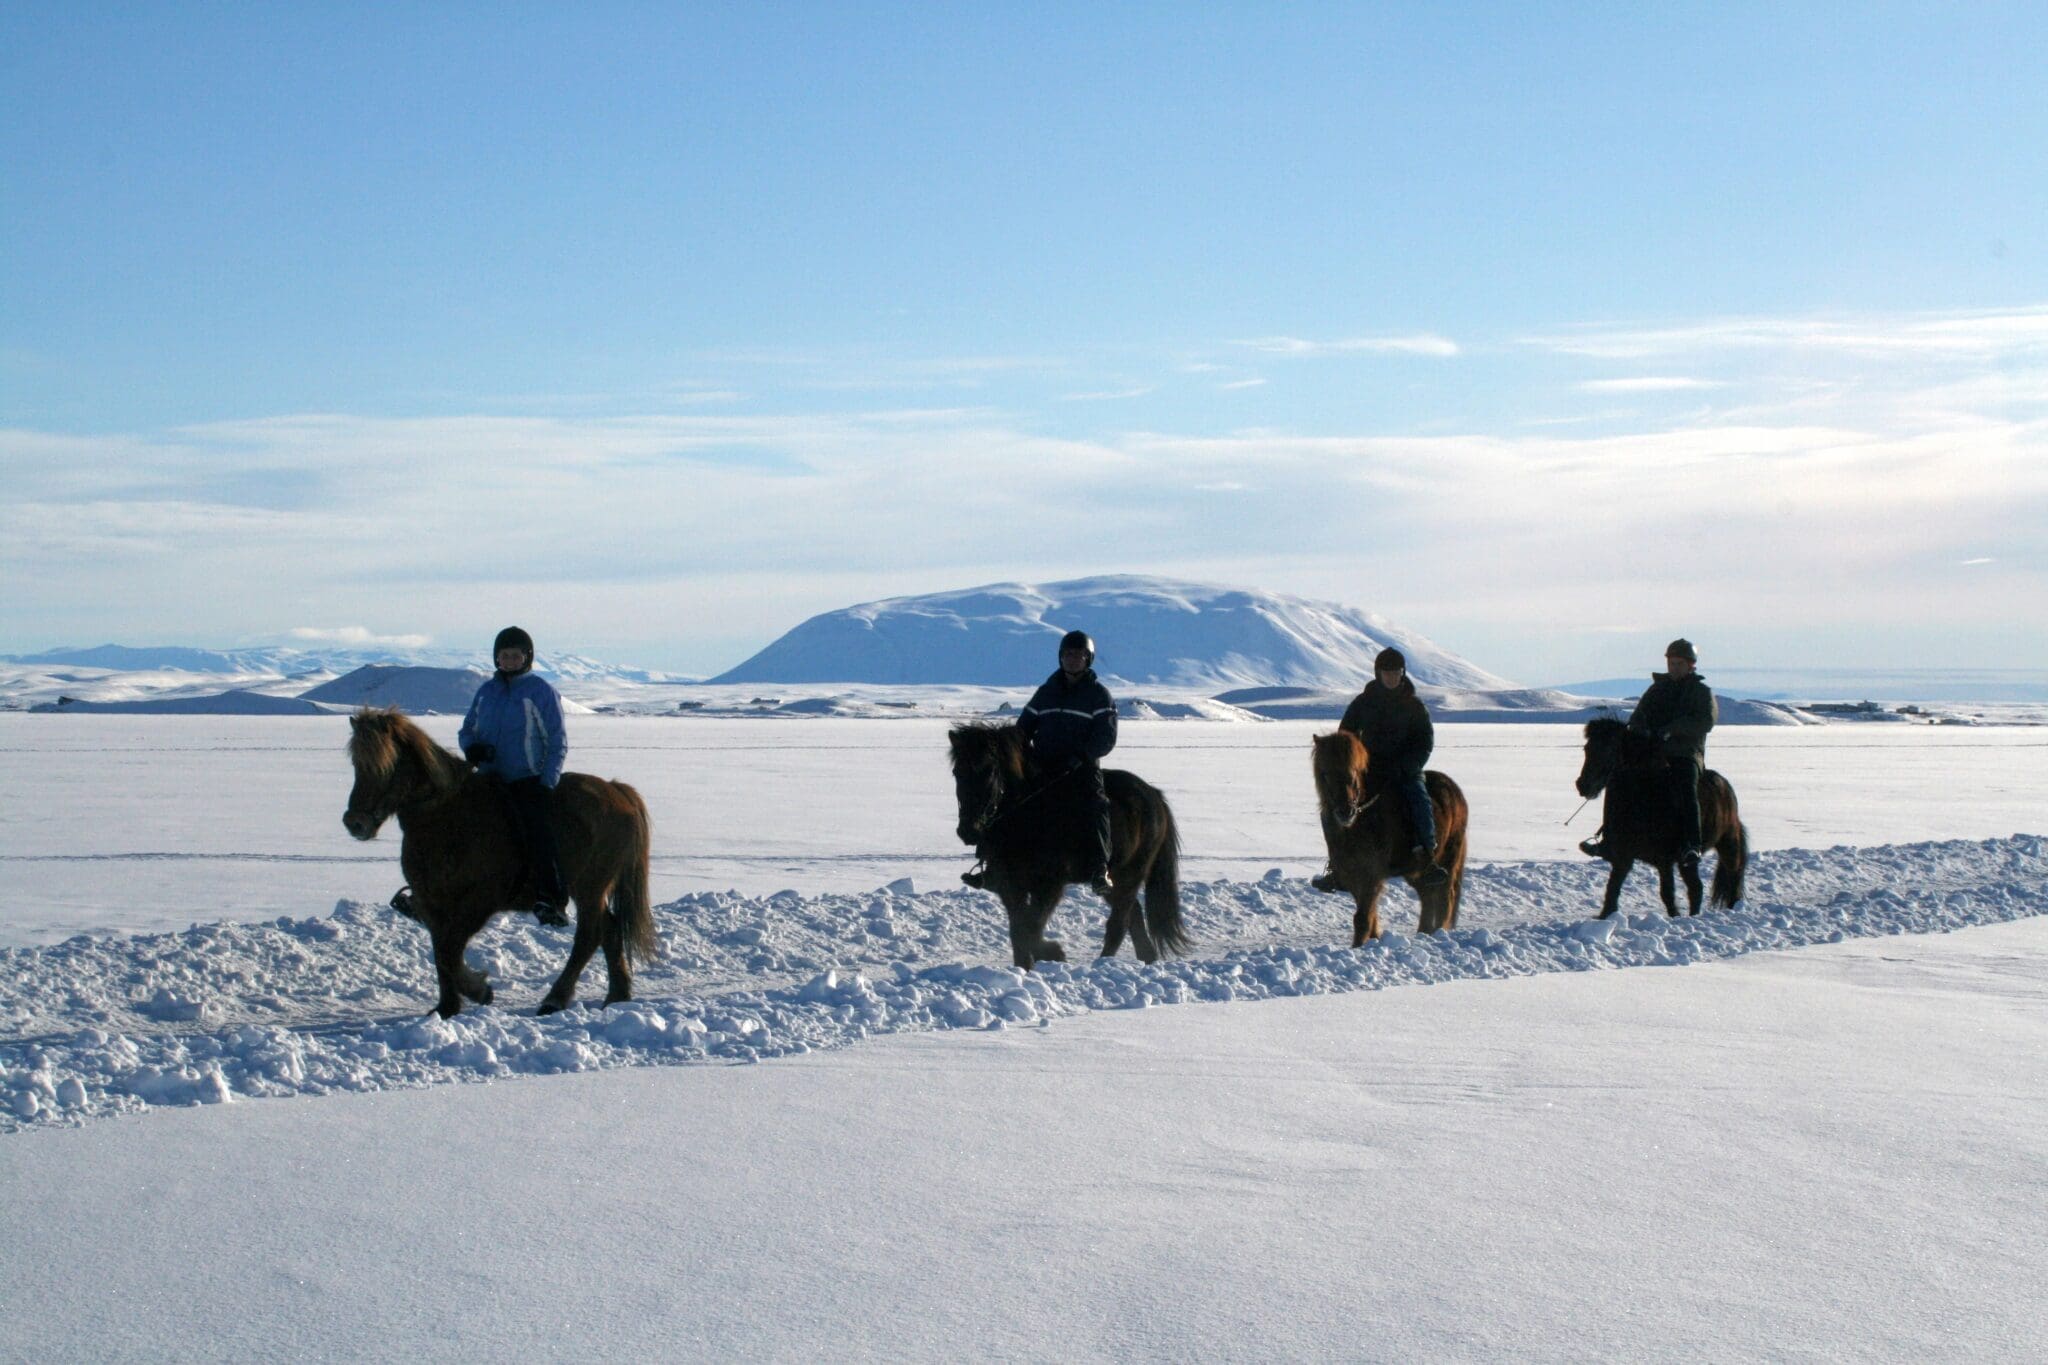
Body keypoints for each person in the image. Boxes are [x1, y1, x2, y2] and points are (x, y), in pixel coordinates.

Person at [964, 629, 1119, 896]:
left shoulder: (1098, 695)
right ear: (1060, 658)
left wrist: (1081, 757)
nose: (1072, 659)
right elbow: (1024, 728)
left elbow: (1106, 737)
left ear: (1088, 659)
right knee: (1007, 801)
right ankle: (993, 867)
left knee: (1094, 806)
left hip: (1080, 767)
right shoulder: (1046, 692)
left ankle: (1098, 869)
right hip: (1043, 764)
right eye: (1067, 654)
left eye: (1078, 655)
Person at [458, 626, 571, 926]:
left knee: (536, 832)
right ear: (496, 659)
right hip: (488, 778)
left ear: (527, 658)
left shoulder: (539, 691)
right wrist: (472, 749)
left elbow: (557, 740)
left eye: (515, 656)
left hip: (526, 779)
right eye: (503, 656)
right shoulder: (486, 692)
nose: (508, 661)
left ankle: (552, 897)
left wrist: (546, 783)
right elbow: (467, 729)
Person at [1579, 638, 1717, 875]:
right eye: (1671, 663)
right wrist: (1640, 729)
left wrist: (1674, 729)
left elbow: (1705, 721)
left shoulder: (1700, 692)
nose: (1673, 668)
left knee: (1686, 788)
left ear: (1691, 665)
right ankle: (1610, 839)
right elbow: (1639, 715)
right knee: (1620, 781)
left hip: (1686, 753)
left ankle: (1691, 845)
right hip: (1652, 751)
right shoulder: (1657, 689)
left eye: (1678, 664)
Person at [1315, 647, 1447, 890]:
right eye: (1387, 673)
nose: (1391, 677)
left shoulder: (1414, 707)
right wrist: (1351, 761)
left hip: (1404, 770)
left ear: (1402, 673)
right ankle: (1337, 866)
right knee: (1331, 808)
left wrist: (1407, 766)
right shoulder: (1363, 703)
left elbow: (1424, 741)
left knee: (1419, 800)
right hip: (1368, 770)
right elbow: (1346, 736)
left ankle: (1426, 860)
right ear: (1378, 674)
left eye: (1396, 672)